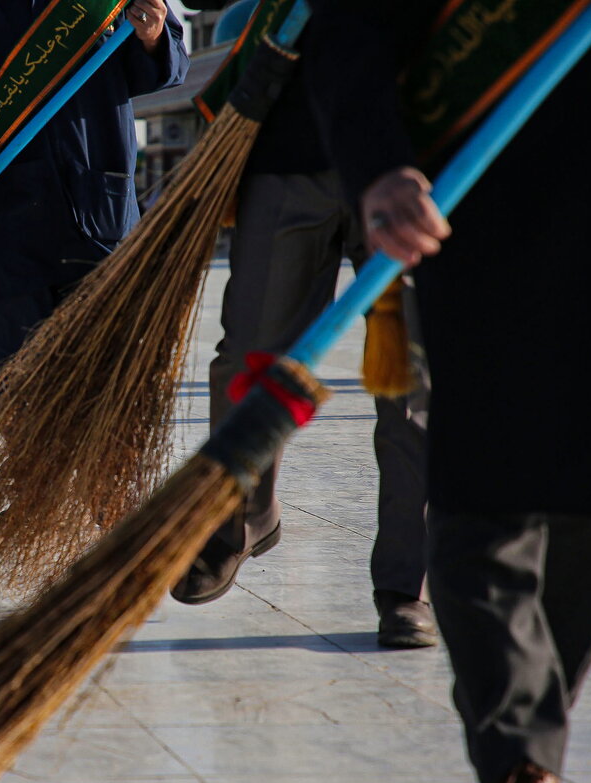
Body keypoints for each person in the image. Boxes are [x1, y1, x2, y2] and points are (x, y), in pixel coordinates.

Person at [305, 1, 591, 783]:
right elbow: (347, 27)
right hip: (487, 212)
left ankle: (531, 724)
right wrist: (380, 167)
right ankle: (519, 767)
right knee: (483, 498)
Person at [168, 51, 435, 650]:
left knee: (413, 381)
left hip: (413, 152)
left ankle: (404, 585)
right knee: (246, 358)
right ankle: (239, 520)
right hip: (291, 146)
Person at [0, 0, 189, 375]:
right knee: (22, 367)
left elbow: (168, 65)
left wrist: (152, 35)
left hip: (99, 196)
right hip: (6, 203)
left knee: (108, 358)